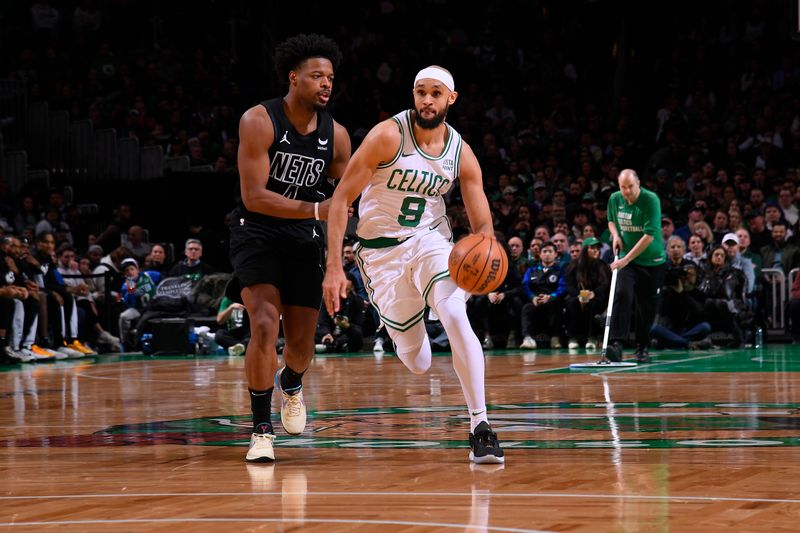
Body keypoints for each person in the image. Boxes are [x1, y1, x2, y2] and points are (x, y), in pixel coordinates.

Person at [322, 65, 504, 464]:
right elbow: (339, 201)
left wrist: (488, 259)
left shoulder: (461, 153)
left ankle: (481, 426)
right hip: (380, 254)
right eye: (420, 92)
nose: (426, 100)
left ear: (450, 99)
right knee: (418, 362)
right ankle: (414, 321)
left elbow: (483, 224)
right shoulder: (388, 135)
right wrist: (334, 267)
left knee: (455, 312)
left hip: (430, 242)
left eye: (435, 93)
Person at [231, 33, 351, 463]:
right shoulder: (259, 120)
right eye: (317, 76)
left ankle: (293, 382)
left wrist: (349, 239)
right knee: (264, 322)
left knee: (302, 344)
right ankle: (261, 428)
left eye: (331, 77)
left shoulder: (337, 136)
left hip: (304, 240)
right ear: (293, 77)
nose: (326, 84)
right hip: (257, 232)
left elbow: (347, 199)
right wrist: (319, 209)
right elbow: (254, 196)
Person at [607, 169, 667, 363]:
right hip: (627, 259)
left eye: (630, 186)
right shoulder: (615, 199)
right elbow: (611, 220)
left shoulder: (651, 200)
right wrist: (616, 235)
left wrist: (626, 260)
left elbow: (648, 236)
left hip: (652, 261)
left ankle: (642, 346)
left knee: (646, 306)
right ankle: (616, 344)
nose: (626, 191)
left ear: (638, 183)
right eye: (623, 187)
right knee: (622, 294)